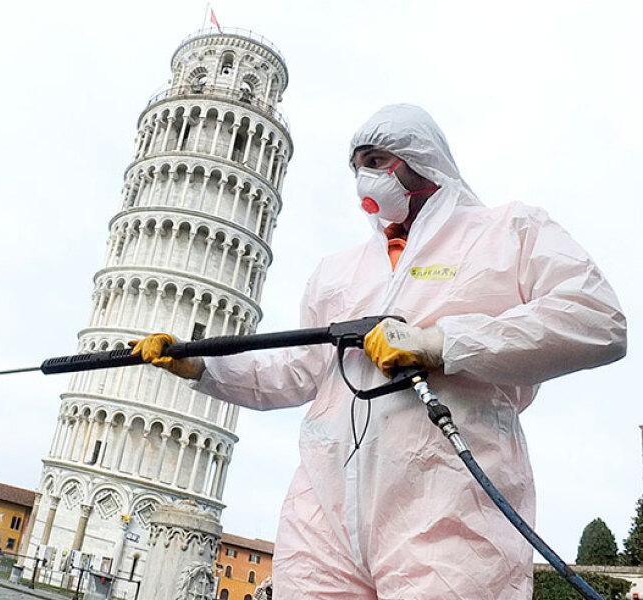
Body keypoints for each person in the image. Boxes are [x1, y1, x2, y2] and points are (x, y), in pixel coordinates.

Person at [130, 104, 627, 599]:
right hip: (324, 513)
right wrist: (201, 365)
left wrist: (440, 343)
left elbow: (595, 319)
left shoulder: (507, 233)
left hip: (447, 508)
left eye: (375, 160)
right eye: (356, 167)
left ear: (420, 157)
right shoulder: (340, 270)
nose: (364, 178)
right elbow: (295, 371)